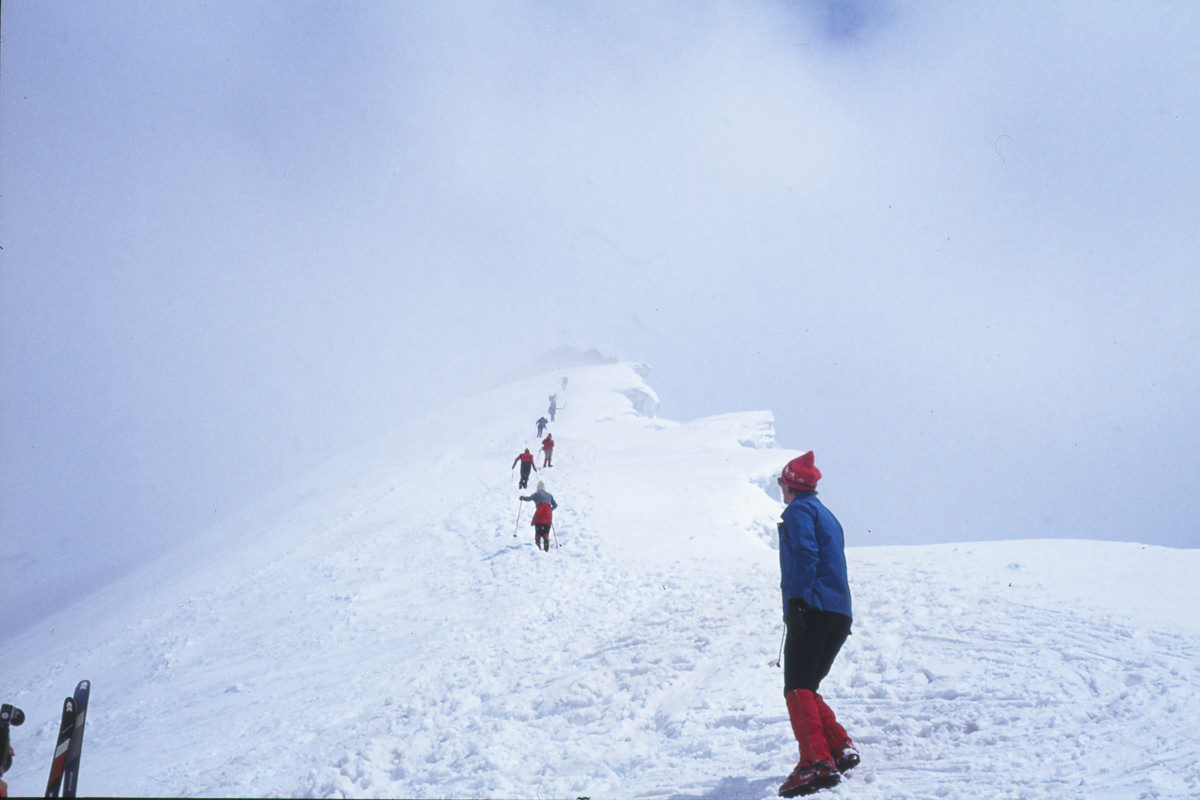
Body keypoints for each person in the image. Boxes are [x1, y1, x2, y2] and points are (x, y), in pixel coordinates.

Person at [775, 451, 858, 798]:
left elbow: (806, 553)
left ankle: (816, 763)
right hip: (839, 613)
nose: (781, 489)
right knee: (807, 686)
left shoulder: (799, 511)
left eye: (781, 483)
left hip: (813, 608)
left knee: (796, 687)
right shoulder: (827, 515)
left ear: (789, 484)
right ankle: (839, 747)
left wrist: (797, 601)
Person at [519, 481, 558, 552]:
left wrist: (522, 498)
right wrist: (550, 509)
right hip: (548, 514)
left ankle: (538, 545)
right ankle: (546, 539)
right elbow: (555, 505)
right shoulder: (549, 495)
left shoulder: (536, 494)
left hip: (539, 513)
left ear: (538, 488)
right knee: (546, 531)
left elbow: (528, 498)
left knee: (538, 531)